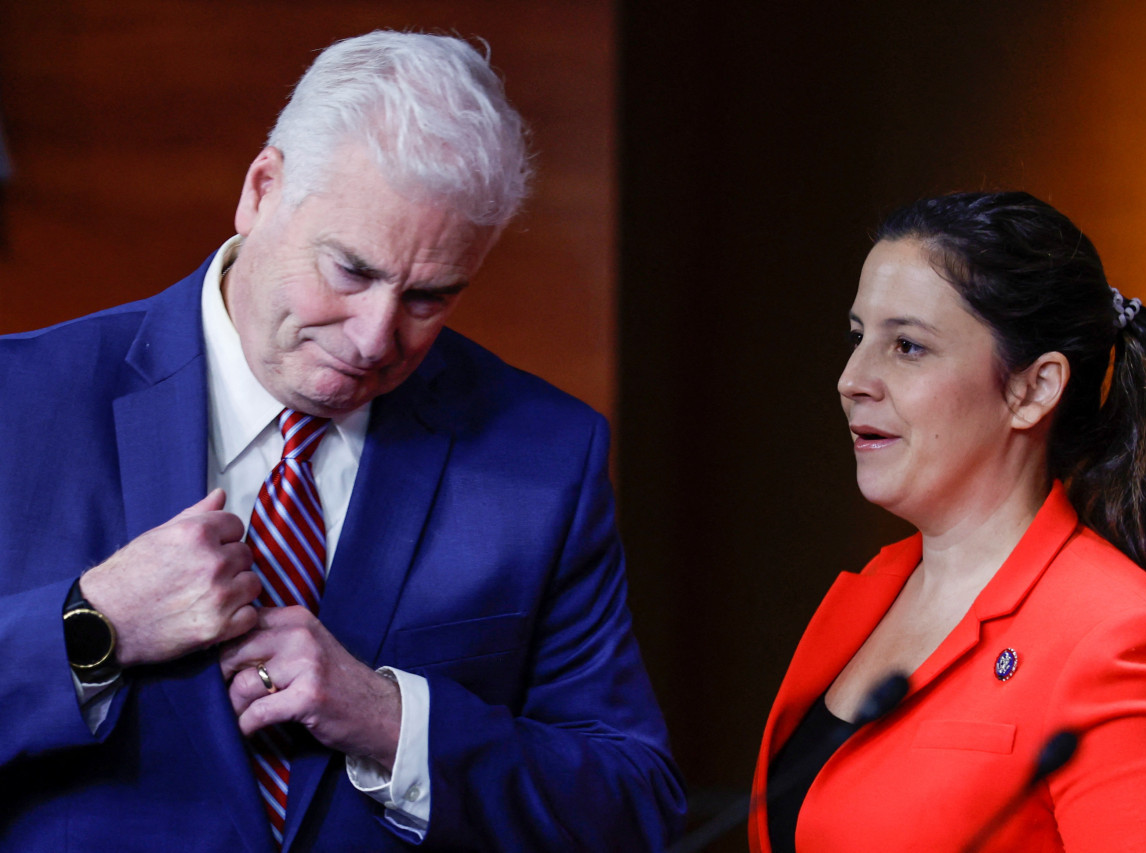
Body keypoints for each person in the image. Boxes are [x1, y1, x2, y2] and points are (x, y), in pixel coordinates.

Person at [0, 31, 683, 851]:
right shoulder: (22, 400)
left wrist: (392, 723)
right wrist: (92, 625)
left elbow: (632, 803)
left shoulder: (545, 458)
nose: (373, 337)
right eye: (351, 271)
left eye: (430, 297)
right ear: (261, 191)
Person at [748, 191, 1146, 852]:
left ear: (1034, 388)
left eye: (906, 345)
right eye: (857, 336)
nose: (852, 378)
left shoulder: (1118, 638)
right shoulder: (872, 591)